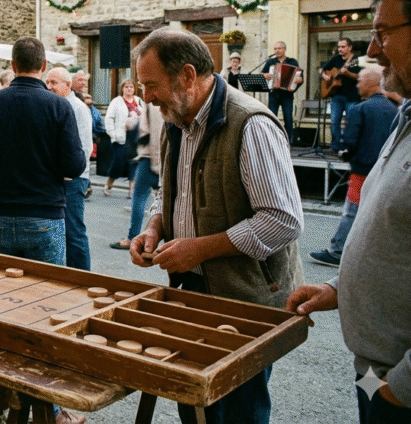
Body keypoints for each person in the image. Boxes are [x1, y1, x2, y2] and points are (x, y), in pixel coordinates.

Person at [127, 28, 303, 424]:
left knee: (240, 408)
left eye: (151, 85)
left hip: (247, 297)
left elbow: (283, 220)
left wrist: (200, 248)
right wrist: (155, 225)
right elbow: (168, 190)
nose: (146, 96)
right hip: (194, 288)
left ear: (187, 76)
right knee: (194, 400)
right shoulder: (177, 116)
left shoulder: (251, 123)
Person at [287, 0, 411, 424]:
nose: (372, 52)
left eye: (381, 32)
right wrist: (339, 288)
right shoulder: (406, 116)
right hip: (375, 370)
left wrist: (399, 388)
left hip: (399, 385)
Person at [0, 37, 86, 424]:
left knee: (2, 311)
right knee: (48, 314)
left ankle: (1, 396)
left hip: (0, 216)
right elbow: (76, 164)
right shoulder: (58, 105)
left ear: (13, 64)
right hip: (45, 216)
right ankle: (48, 410)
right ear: (43, 64)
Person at [309, 64, 397, 267]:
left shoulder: (360, 108)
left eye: (359, 81)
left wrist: (343, 152)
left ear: (370, 83)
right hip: (384, 169)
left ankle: (337, 251)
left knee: (351, 211)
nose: (357, 85)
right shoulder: (393, 109)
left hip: (362, 169)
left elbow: (350, 141)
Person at [46, 67, 93, 270]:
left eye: (53, 83)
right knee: (60, 230)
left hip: (73, 178)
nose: (49, 87)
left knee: (74, 231)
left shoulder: (78, 108)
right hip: (58, 177)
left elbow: (84, 146)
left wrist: (68, 173)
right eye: (47, 82)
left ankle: (83, 276)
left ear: (67, 85)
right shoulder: (54, 105)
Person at [111, 101, 164, 250]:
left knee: (139, 198)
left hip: (150, 158)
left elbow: (155, 131)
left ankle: (133, 237)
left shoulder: (154, 102)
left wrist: (156, 163)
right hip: (159, 158)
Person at [321, 37, 362, 152]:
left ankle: (349, 147)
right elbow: (322, 69)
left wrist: (348, 73)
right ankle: (335, 146)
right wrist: (324, 75)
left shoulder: (356, 60)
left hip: (352, 96)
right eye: (339, 47)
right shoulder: (336, 59)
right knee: (334, 122)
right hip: (336, 95)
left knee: (351, 122)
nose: (340, 49)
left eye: (343, 47)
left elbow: (360, 77)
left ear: (350, 47)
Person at [104, 79, 142, 197]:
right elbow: (109, 118)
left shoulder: (139, 101)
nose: (129, 89)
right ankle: (109, 184)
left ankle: (132, 190)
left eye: (131, 87)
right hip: (120, 137)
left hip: (135, 138)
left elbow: (144, 115)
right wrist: (112, 133)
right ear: (122, 89)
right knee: (118, 163)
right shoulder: (117, 101)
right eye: (126, 87)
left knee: (134, 163)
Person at [261, 42, 303, 143]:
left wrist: (299, 80)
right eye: (275, 49)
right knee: (272, 118)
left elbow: (299, 76)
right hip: (273, 94)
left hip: (287, 95)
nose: (277, 51)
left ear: (284, 49)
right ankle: (272, 140)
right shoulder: (270, 62)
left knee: (288, 118)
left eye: (279, 48)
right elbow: (262, 73)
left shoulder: (292, 61)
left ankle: (288, 141)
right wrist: (265, 75)